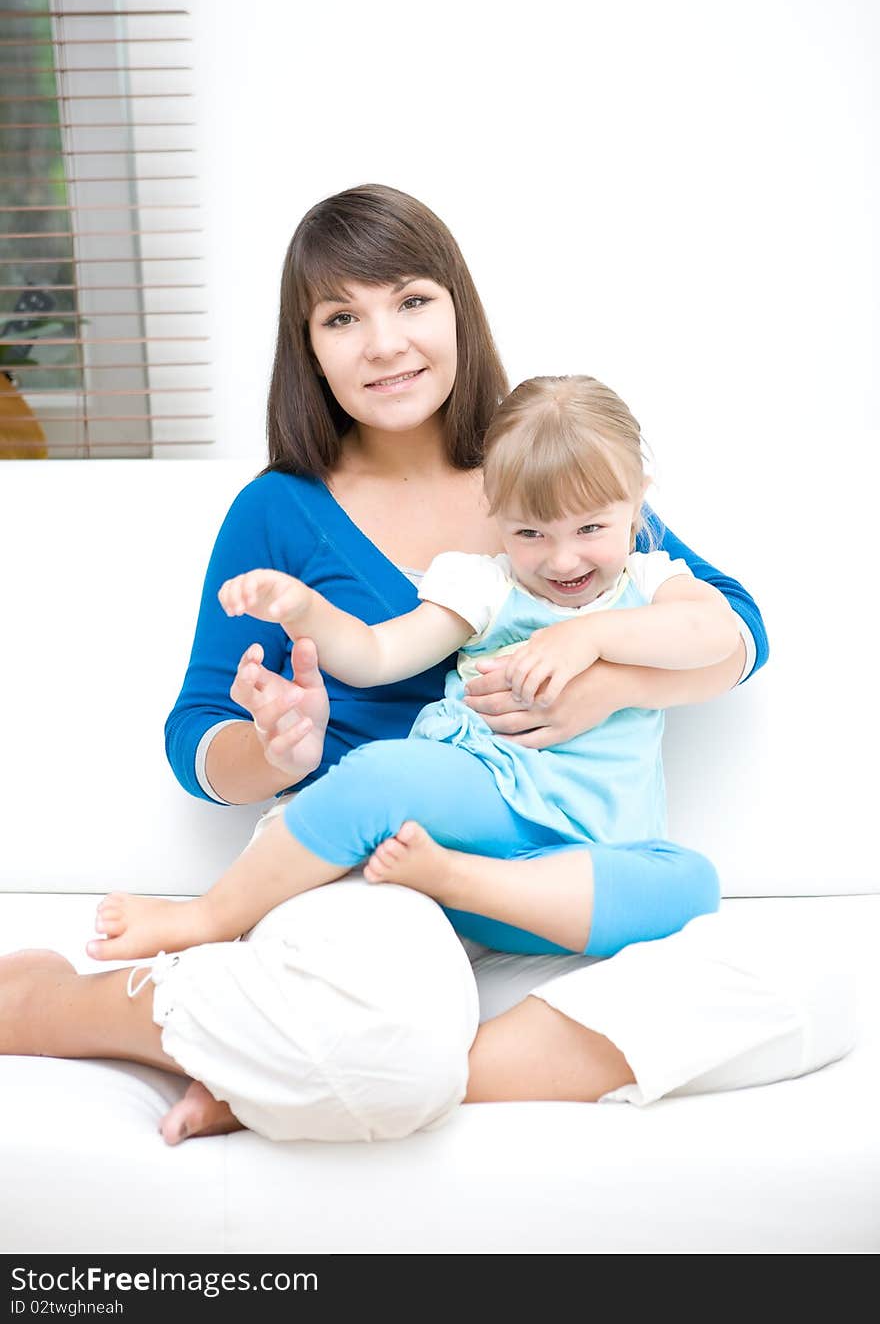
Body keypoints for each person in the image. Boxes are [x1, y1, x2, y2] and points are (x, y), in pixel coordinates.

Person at [0, 184, 852, 1148]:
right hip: (373, 869)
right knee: (389, 1045)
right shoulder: (280, 510)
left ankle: (296, 1067)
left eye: (410, 300)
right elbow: (196, 732)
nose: (384, 342)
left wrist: (602, 677)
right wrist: (279, 751)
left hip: (545, 874)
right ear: (308, 345)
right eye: (341, 317)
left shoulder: (545, 465)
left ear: (457, 308)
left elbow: (732, 629)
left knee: (817, 988)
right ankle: (71, 1007)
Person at [87, 376, 736, 965]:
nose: (562, 558)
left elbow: (716, 633)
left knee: (692, 885)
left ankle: (451, 877)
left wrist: (590, 636)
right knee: (379, 775)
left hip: (578, 875)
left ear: (638, 504)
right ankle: (206, 916)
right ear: (495, 514)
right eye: (530, 533)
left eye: (591, 527)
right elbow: (377, 654)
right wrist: (308, 611)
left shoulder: (653, 579)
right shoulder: (487, 584)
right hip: (490, 800)